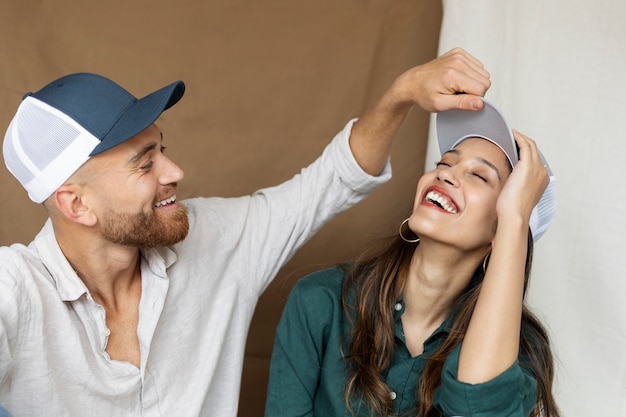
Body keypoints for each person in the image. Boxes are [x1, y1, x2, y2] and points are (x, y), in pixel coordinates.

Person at [0, 48, 490, 417]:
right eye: (144, 164)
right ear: (75, 204)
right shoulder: (14, 290)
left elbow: (332, 181)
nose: (174, 171)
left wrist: (402, 92)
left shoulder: (215, 238)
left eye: (162, 148)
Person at [265, 100, 560, 416]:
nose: (445, 176)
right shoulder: (320, 300)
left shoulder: (522, 350)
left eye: (479, 176)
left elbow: (478, 406)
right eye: (444, 163)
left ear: (502, 236)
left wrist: (515, 219)